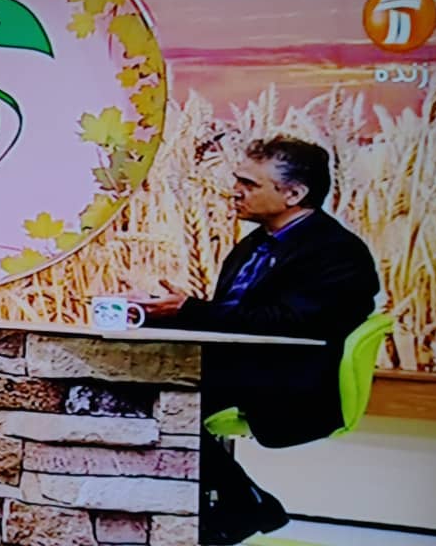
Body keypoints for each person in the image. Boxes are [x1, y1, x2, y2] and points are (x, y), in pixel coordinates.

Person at [132, 136, 380, 544]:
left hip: (288, 381)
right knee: (124, 390)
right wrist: (165, 312)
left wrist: (190, 310)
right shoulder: (253, 244)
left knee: (147, 401)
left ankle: (239, 502)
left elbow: (287, 324)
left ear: (293, 194)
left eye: (249, 184)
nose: (235, 191)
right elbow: (237, 319)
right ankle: (236, 503)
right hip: (238, 367)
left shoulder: (337, 252)